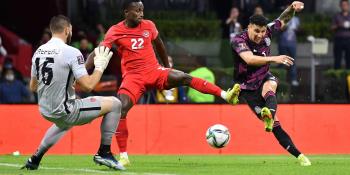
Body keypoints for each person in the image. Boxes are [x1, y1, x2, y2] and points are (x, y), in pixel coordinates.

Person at [86, 0, 240, 166]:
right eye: (137, 11)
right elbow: (97, 52)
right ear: (126, 12)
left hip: (154, 71)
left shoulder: (148, 26)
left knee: (183, 77)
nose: (141, 14)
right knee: (120, 108)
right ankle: (124, 155)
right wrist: (82, 72)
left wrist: (167, 68)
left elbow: (159, 45)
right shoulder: (115, 31)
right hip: (133, 77)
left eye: (142, 10)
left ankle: (226, 95)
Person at [21, 15, 125, 171]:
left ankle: (35, 158)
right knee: (116, 104)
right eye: (70, 30)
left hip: (45, 110)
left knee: (64, 124)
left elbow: (33, 87)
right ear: (67, 29)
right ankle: (104, 152)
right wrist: (100, 67)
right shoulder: (71, 52)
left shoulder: (39, 51)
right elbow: (89, 85)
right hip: (65, 110)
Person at [230, 1, 311, 166]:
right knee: (275, 126)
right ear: (249, 27)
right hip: (246, 87)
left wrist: (291, 8)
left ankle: (302, 157)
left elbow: (283, 19)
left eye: (262, 31)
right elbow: (249, 59)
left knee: (271, 85)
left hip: (264, 77)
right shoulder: (239, 39)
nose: (260, 35)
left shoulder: (268, 31)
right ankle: (296, 151)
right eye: (256, 31)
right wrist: (275, 58)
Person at [278, 16, 300, 86]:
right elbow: (280, 29)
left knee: (292, 61)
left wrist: (297, 29)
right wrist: (285, 26)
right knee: (282, 62)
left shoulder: (296, 19)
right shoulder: (282, 18)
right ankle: (281, 80)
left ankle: (293, 79)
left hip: (292, 43)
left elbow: (298, 30)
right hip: (283, 43)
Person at [332, 0, 350, 69]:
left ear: (348, 6)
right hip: (339, 39)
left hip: (348, 40)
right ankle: (336, 77)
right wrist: (339, 25)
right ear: (340, 6)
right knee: (337, 59)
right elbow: (332, 28)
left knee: (349, 59)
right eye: (342, 5)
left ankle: (348, 77)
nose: (344, 6)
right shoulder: (337, 16)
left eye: (345, 5)